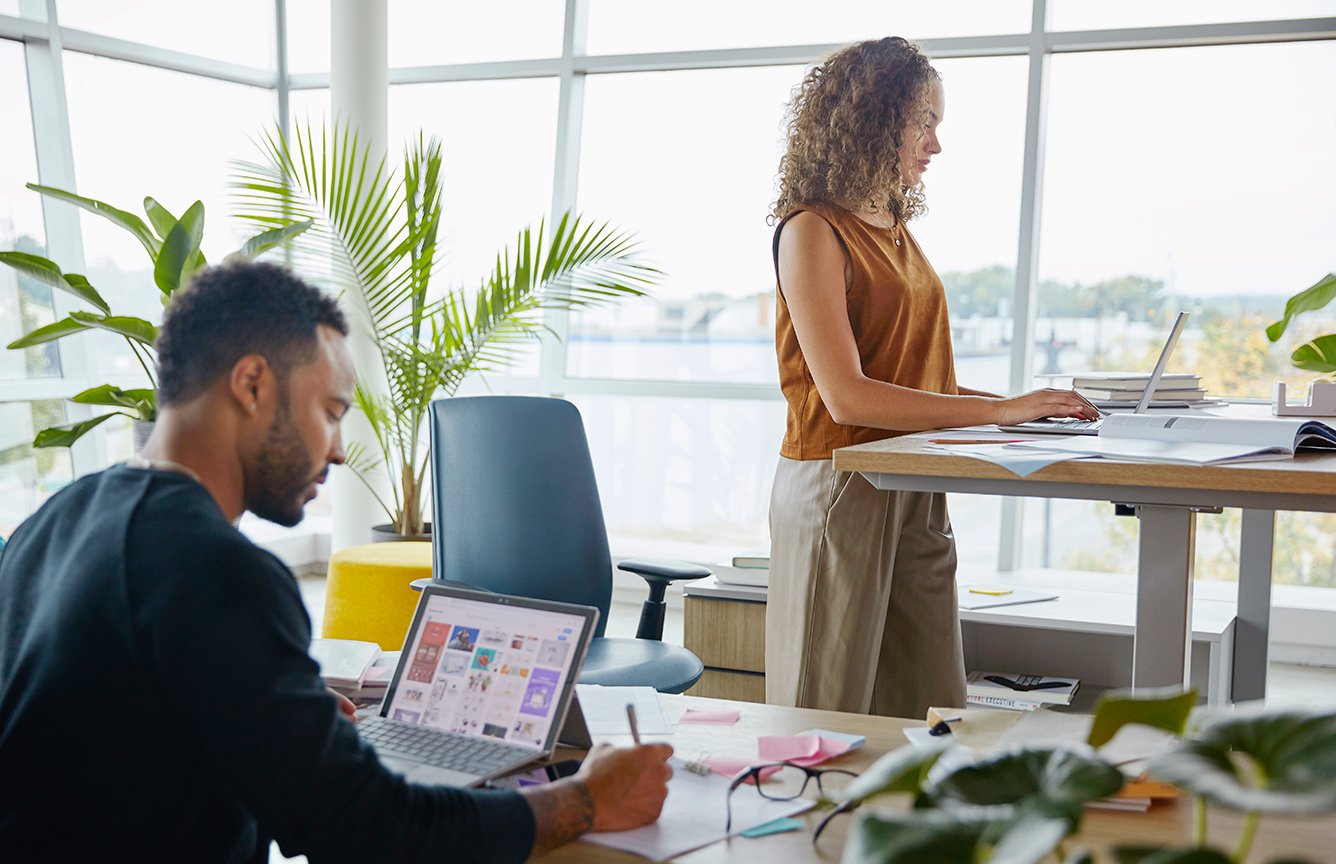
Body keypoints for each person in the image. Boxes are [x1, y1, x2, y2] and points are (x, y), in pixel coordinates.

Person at [0, 261, 673, 862]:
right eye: (330, 411)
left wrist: (269, 712)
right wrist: (587, 801)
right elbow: (366, 832)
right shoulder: (213, 565)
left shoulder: (50, 525)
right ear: (253, 384)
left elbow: (105, 740)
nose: (340, 449)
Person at [765, 37, 1099, 720]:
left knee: (929, 709)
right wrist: (1001, 412)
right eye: (924, 122)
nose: (936, 144)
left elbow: (921, 377)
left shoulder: (894, 227)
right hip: (842, 483)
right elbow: (848, 395)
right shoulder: (812, 231)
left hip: (914, 481)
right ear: (874, 119)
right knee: (823, 714)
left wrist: (1022, 406)